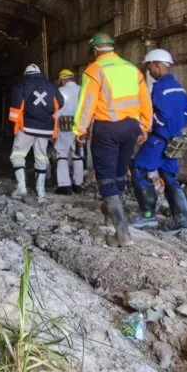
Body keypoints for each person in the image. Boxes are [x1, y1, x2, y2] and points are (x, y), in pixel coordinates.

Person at [72, 31, 152, 247]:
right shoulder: (132, 69)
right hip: (130, 128)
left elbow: (87, 103)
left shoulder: (94, 70)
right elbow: (145, 101)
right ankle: (111, 217)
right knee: (119, 173)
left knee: (106, 177)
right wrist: (144, 126)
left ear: (95, 49)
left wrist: (79, 129)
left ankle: (123, 234)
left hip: (107, 128)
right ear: (112, 48)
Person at [132, 49, 187, 233]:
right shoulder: (177, 86)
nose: (149, 71)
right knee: (169, 177)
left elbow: (162, 115)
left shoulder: (160, 87)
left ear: (158, 65)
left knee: (138, 168)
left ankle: (147, 216)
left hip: (159, 140)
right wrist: (175, 126)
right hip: (175, 140)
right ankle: (182, 222)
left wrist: (154, 126)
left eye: (150, 66)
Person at [8, 64, 60, 202]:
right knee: (41, 157)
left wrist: (13, 122)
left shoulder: (21, 85)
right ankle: (41, 192)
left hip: (27, 127)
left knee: (18, 154)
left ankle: (21, 187)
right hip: (45, 129)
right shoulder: (50, 86)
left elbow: (16, 104)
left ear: (26, 73)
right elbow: (60, 102)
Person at [53, 68, 85, 195]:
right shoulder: (82, 89)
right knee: (78, 154)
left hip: (65, 124)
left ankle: (64, 185)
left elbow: (57, 111)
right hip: (80, 126)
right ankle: (78, 184)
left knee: (61, 153)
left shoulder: (60, 91)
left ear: (62, 80)